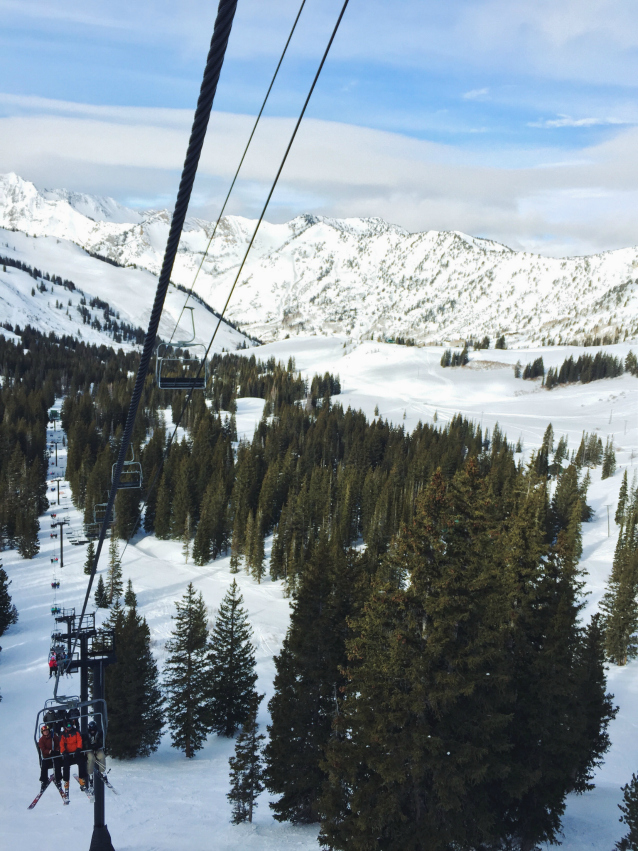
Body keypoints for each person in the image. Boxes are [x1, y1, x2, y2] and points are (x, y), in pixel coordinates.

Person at [60, 721, 88, 794]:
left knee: (81, 762)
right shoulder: (63, 734)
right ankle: (66, 782)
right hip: (68, 753)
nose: (69, 727)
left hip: (76, 752)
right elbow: (61, 744)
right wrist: (63, 752)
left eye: (70, 726)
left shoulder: (76, 732)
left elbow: (79, 740)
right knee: (65, 765)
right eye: (67, 726)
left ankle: (82, 779)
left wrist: (79, 748)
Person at [37, 724, 62, 792]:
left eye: (47, 730)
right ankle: (44, 781)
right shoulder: (41, 740)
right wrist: (50, 752)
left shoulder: (54, 736)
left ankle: (58, 779)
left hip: (55, 755)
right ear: (42, 732)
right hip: (47, 757)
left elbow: (58, 744)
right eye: (44, 731)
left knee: (57, 763)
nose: (46, 732)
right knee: (44, 766)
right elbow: (43, 749)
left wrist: (56, 750)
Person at [84, 720, 106, 788]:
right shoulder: (87, 734)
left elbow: (101, 741)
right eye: (91, 730)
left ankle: (102, 772)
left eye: (94, 730)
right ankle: (90, 775)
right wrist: (90, 747)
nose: (92, 731)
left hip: (97, 748)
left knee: (102, 756)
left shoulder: (99, 732)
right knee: (91, 759)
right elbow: (85, 743)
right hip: (90, 750)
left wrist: (97, 746)